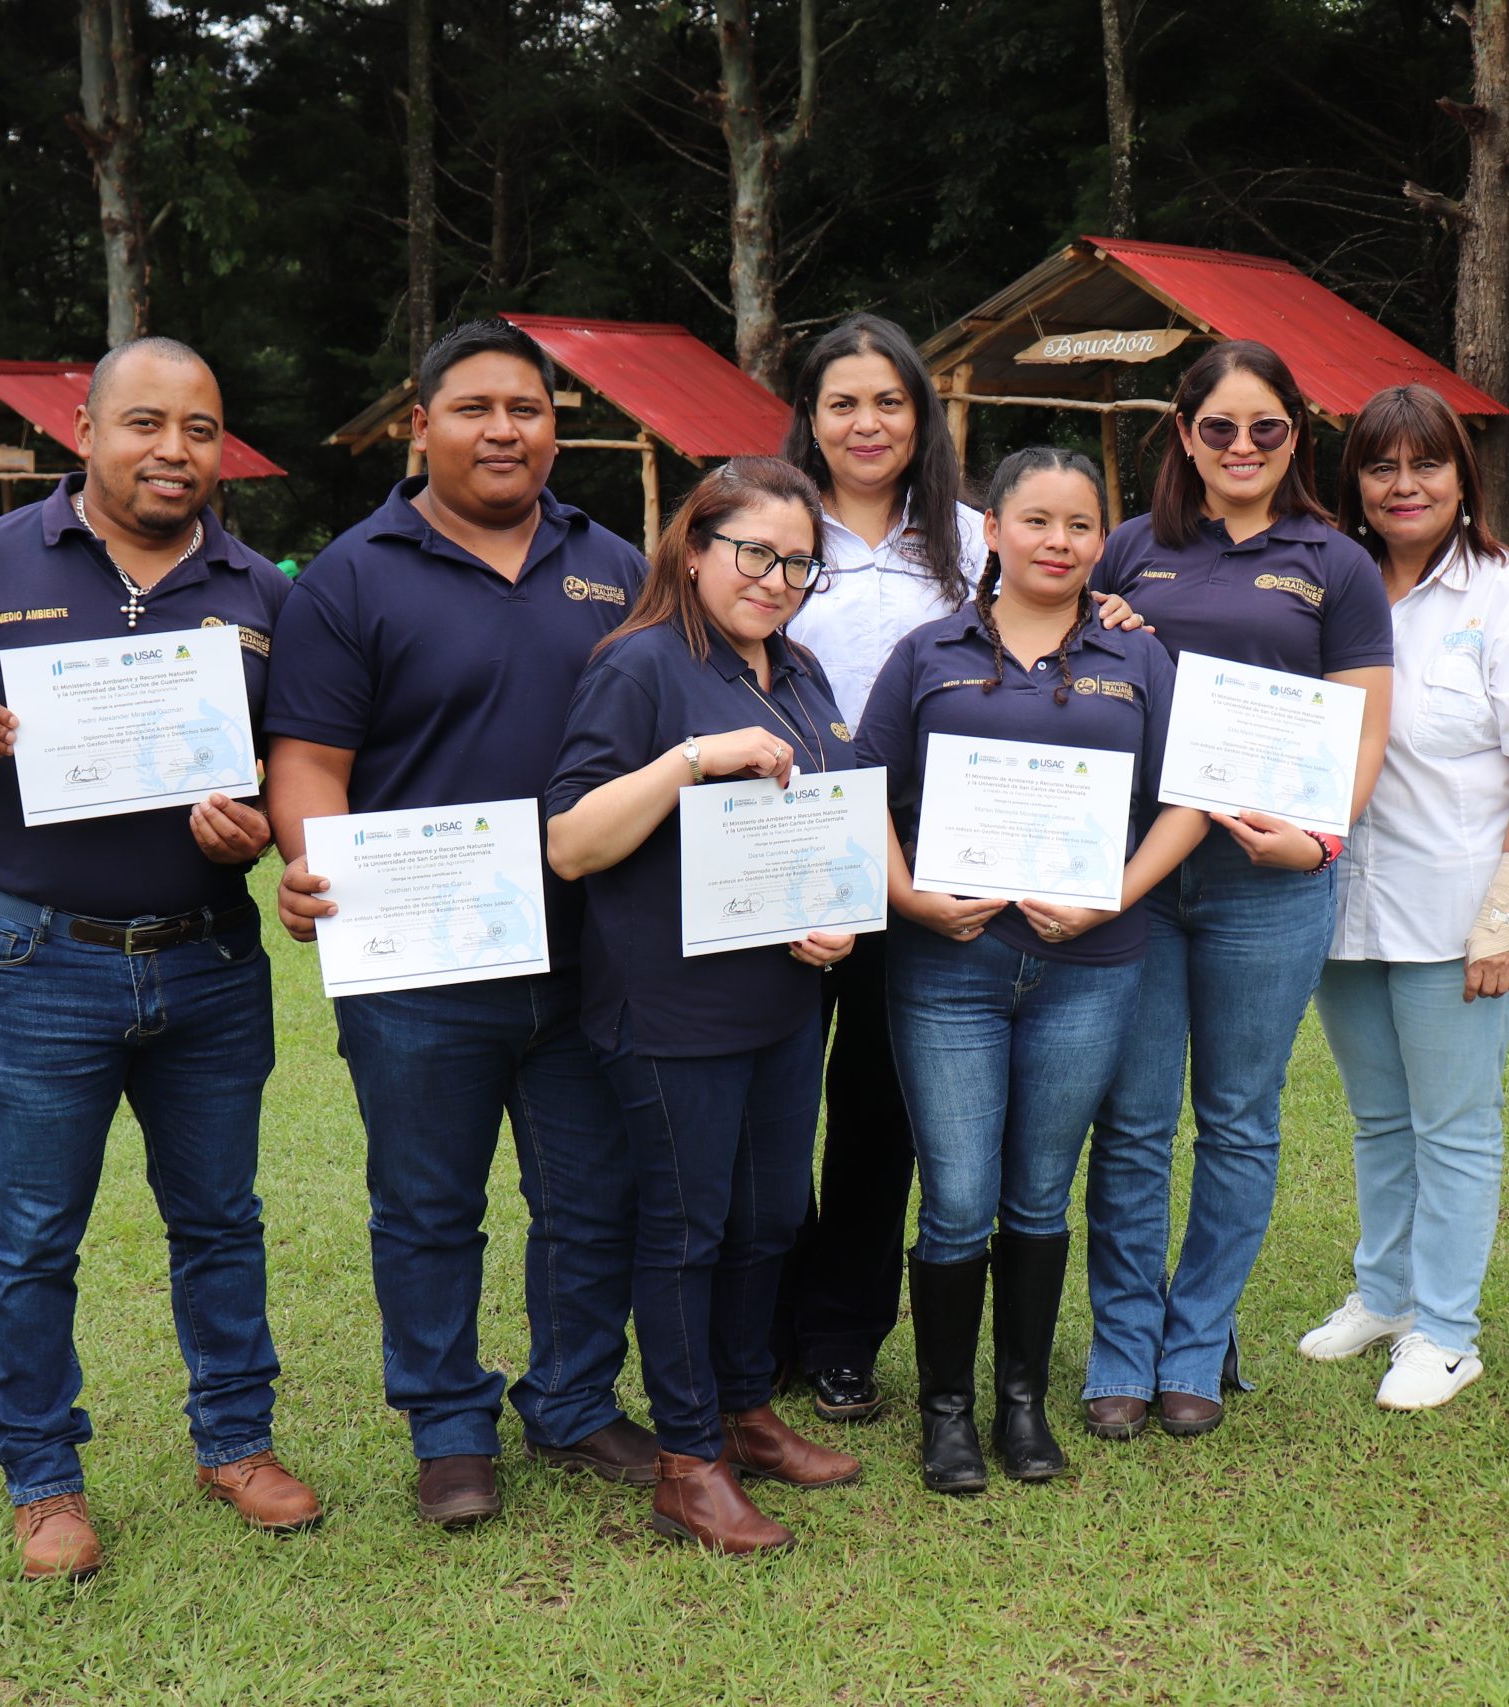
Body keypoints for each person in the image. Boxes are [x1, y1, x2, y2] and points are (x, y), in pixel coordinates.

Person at [0, 337, 319, 1580]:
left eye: (202, 430)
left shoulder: (261, 591)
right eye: (146, 424)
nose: (174, 451)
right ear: (87, 428)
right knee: (31, 1231)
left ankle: (236, 1442)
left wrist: (261, 835)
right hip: (34, 958)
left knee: (220, 1219)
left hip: (210, 958)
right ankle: (43, 1480)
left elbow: (300, 772)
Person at [264, 318, 655, 1529]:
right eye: (475, 407)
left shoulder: (618, 566)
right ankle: (447, 1428)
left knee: (593, 1199)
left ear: (554, 426)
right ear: (417, 422)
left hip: (596, 953)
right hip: (420, 959)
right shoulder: (351, 576)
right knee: (428, 1205)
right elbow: (310, 761)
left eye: (528, 408)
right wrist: (312, 867)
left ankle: (577, 1402)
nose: (504, 429)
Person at [856, 447, 1206, 1492]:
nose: (1059, 542)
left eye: (1081, 525)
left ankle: (1021, 1406)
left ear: (1103, 541)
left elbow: (1189, 795)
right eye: (1038, 521)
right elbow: (863, 785)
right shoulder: (927, 651)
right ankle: (947, 1415)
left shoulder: (1137, 656)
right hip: (947, 964)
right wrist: (906, 892)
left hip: (1091, 963)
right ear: (993, 533)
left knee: (1041, 1195)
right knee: (958, 1196)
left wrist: (1119, 892)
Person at [546, 457, 866, 1556]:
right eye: (755, 554)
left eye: (799, 564)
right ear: (693, 550)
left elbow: (821, 823)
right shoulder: (638, 668)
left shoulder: (801, 669)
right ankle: (687, 1464)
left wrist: (833, 917)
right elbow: (572, 842)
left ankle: (743, 1412)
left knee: (770, 1218)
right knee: (687, 1232)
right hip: (669, 1007)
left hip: (780, 999)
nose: (776, 579)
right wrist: (691, 758)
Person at [1079, 339, 1394, 1440]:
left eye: (1266, 428)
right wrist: (1100, 628)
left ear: (1295, 438)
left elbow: (1363, 721)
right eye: (1219, 428)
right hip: (1142, 877)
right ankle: (1121, 1342)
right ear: (1183, 435)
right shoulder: (1127, 551)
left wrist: (1318, 843)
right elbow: (1066, 679)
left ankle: (1197, 1337)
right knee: (1130, 1120)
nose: (1243, 447)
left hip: (1269, 883)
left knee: (1239, 1120)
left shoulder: (1335, 563)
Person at [1296, 386, 1509, 1410]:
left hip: (1465, 907)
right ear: (1355, 483)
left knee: (1453, 1124)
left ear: (1464, 477)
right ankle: (1387, 1297)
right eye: (1382, 467)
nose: (1404, 485)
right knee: (1380, 1117)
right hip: (1343, 899)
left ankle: (1449, 1332)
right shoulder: (1327, 584)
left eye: (1427, 464)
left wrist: (1503, 912)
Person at [771, 314, 986, 1423]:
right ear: (809, 416)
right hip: (774, 838)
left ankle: (843, 1332)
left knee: (875, 1104)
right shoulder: (764, 523)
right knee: (766, 1092)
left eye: (889, 402)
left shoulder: (969, 540)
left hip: (917, 844)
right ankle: (764, 1323)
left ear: (921, 416)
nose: (867, 424)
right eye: (843, 403)